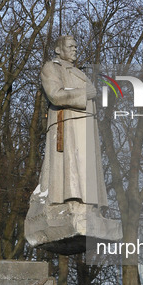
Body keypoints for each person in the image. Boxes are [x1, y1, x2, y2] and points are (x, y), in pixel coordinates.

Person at [37, 34, 108, 208]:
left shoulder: (78, 72)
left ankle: (88, 204)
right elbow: (55, 95)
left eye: (75, 46)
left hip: (85, 126)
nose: (75, 49)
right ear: (58, 50)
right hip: (67, 123)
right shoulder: (52, 68)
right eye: (70, 46)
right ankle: (71, 201)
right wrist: (84, 94)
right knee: (70, 170)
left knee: (86, 171)